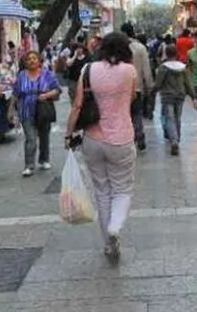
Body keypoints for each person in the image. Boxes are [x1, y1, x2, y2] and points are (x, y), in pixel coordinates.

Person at [65, 32, 138, 264]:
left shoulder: (87, 70)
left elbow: (77, 106)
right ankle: (115, 227)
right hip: (122, 139)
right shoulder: (129, 71)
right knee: (122, 189)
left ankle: (108, 243)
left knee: (102, 192)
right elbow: (133, 99)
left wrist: (68, 134)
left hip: (92, 139)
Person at [13, 51, 62, 177]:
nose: (31, 61)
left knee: (44, 136)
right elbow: (15, 93)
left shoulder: (47, 74)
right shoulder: (21, 76)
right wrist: (10, 111)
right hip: (26, 110)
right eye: (28, 59)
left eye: (34, 58)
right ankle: (29, 165)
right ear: (25, 62)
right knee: (31, 139)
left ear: (39, 60)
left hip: (43, 110)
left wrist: (46, 95)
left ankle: (44, 159)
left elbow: (57, 90)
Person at [154, 45, 197, 155]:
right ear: (176, 54)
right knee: (177, 117)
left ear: (166, 54)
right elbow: (188, 83)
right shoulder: (183, 67)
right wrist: (193, 97)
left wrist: (153, 92)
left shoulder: (163, 68)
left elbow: (158, 84)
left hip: (167, 96)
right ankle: (177, 138)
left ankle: (173, 141)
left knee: (170, 118)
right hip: (180, 95)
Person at [121, 23, 154, 150]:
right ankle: (139, 136)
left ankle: (127, 139)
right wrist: (149, 86)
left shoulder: (119, 48)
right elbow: (146, 70)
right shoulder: (140, 48)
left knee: (124, 115)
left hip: (121, 88)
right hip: (137, 88)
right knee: (137, 114)